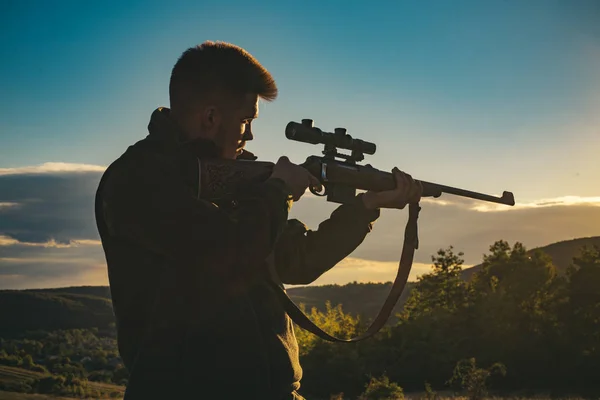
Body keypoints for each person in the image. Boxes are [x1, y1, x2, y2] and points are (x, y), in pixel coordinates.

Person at [94, 41, 422, 400]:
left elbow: (295, 261)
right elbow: (230, 252)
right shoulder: (139, 180)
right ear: (210, 117)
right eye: (245, 121)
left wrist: (366, 207)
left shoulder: (240, 179)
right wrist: (280, 191)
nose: (249, 134)